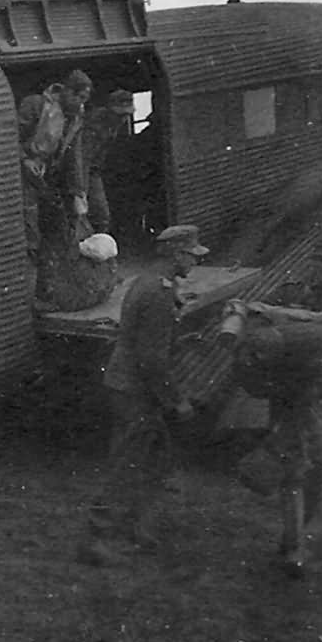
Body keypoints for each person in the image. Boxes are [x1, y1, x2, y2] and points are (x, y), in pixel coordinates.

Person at [90, 225, 207, 553]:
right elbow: (151, 360)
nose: (194, 262)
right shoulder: (157, 292)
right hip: (134, 390)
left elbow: (149, 340)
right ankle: (99, 537)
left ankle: (136, 527)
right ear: (174, 254)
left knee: (153, 460)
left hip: (129, 384)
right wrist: (177, 400)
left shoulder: (153, 283)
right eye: (190, 255)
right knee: (128, 462)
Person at [219, 299, 322, 576]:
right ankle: (294, 545)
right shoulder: (282, 324)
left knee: (314, 468)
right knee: (298, 470)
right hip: (301, 395)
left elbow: (268, 387)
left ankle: (294, 541)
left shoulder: (311, 347)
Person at [17, 69, 93, 302]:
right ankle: (29, 297)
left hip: (48, 180)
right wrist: (24, 159)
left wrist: (78, 192)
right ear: (67, 91)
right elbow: (8, 137)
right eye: (78, 97)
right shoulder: (35, 106)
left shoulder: (76, 116)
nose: (80, 103)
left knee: (57, 230)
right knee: (30, 235)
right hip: (24, 179)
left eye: (84, 100)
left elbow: (73, 156)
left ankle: (47, 288)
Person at [81, 88, 135, 234]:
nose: (123, 119)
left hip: (94, 170)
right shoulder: (94, 125)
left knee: (100, 215)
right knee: (94, 214)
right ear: (110, 110)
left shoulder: (114, 124)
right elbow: (82, 159)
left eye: (127, 115)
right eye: (120, 114)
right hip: (83, 172)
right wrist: (81, 191)